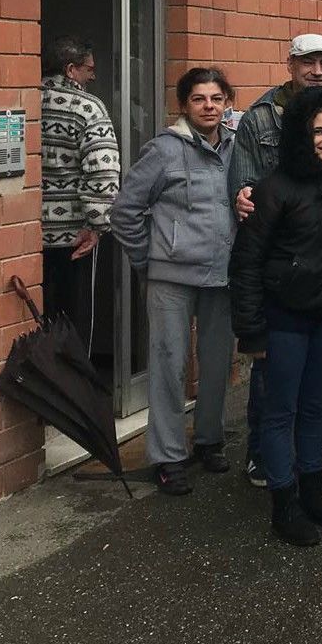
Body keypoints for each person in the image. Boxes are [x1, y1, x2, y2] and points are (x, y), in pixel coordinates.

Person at [230, 86, 322, 546]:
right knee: (277, 412)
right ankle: (283, 501)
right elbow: (246, 262)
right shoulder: (273, 189)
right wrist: (250, 330)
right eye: (318, 131)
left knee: (315, 409)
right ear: (300, 135)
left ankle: (313, 490)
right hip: (283, 319)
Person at [109, 68, 237, 496]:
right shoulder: (164, 150)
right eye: (199, 99)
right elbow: (125, 210)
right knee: (169, 364)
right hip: (172, 277)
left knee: (218, 363)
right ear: (184, 105)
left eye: (216, 98)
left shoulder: (238, 147)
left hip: (222, 274)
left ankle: (209, 439)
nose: (208, 106)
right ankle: (167, 456)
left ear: (227, 102)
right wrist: (148, 258)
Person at [40, 36, 120, 349]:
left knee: (39, 318)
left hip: (32, 236)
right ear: (71, 70)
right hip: (74, 236)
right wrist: (97, 224)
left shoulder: (22, 98)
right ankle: (73, 390)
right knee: (73, 324)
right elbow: (102, 170)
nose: (93, 76)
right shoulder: (87, 107)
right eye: (89, 69)